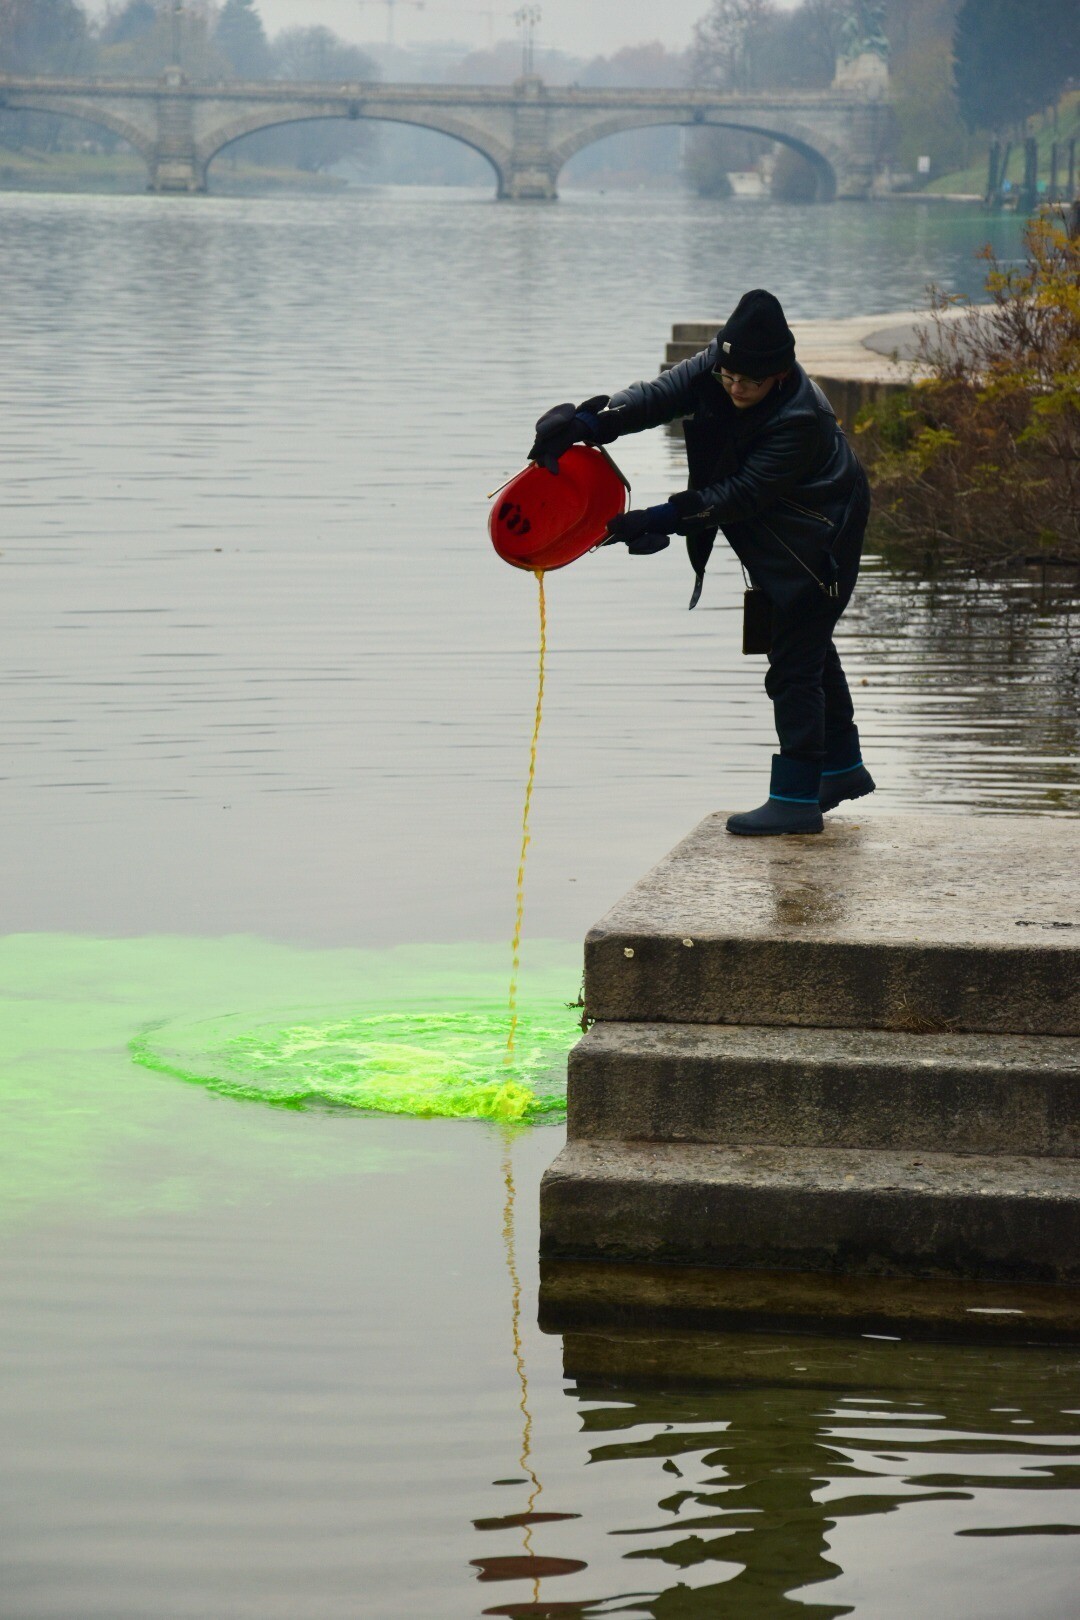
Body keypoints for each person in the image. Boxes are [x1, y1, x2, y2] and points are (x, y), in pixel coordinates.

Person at [527, 288, 875, 836]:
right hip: (776, 531)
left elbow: (737, 494)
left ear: (779, 375)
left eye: (750, 383)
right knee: (807, 645)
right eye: (729, 376)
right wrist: (590, 426)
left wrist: (658, 517)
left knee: (794, 662)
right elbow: (658, 396)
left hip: (818, 539)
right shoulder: (720, 365)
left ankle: (796, 800)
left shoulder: (800, 419)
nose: (735, 388)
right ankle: (841, 768)